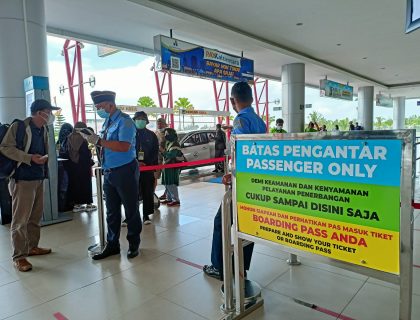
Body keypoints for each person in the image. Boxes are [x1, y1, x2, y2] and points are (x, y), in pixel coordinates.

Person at [203, 81, 266, 280]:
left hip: (242, 181)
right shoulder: (259, 120)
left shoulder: (240, 120)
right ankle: (242, 267)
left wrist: (234, 173)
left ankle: (219, 267)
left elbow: (242, 150)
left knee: (221, 222)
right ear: (252, 98)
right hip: (256, 179)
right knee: (246, 224)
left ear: (232, 100)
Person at [0, 99, 59, 272]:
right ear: (40, 112)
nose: (51, 115)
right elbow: (5, 147)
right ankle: (19, 257)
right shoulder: (20, 127)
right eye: (49, 111)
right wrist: (29, 158)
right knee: (20, 221)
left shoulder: (44, 129)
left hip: (38, 178)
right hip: (22, 179)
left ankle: (32, 247)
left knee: (35, 217)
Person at [85, 91, 141, 260]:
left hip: (125, 171)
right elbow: (106, 146)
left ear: (110, 104)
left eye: (100, 107)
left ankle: (133, 244)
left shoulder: (125, 121)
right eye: (97, 108)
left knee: (131, 210)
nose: (99, 110)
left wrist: (99, 141)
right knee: (111, 211)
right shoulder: (107, 122)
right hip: (109, 171)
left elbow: (124, 146)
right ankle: (112, 245)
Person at [62, 122, 96, 213]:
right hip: (83, 166)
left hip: (73, 167)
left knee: (75, 185)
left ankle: (77, 205)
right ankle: (89, 204)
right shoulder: (83, 139)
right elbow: (85, 155)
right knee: (86, 185)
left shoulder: (68, 138)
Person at [133, 111, 159, 225]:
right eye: (138, 119)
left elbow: (155, 151)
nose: (140, 121)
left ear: (146, 121)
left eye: (143, 119)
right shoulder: (129, 134)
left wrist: (147, 163)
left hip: (147, 168)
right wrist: (136, 162)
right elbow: (126, 150)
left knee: (147, 191)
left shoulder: (151, 135)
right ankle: (131, 215)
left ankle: (146, 215)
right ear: (134, 120)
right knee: (132, 192)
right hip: (132, 168)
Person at [161, 128, 183, 207]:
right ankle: (169, 198)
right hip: (166, 165)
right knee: (167, 183)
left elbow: (171, 155)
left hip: (172, 166)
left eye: (167, 134)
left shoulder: (175, 144)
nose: (166, 136)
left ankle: (176, 200)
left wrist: (163, 151)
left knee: (171, 183)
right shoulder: (168, 143)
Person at [155, 118, 167, 200]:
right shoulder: (156, 133)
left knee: (167, 177)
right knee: (155, 177)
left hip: (167, 158)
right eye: (158, 124)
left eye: (161, 123)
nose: (159, 125)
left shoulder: (169, 132)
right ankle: (153, 194)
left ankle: (167, 193)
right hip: (158, 158)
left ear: (164, 124)